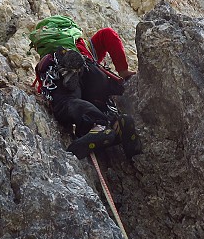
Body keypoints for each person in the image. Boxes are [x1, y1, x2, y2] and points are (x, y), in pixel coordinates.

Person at [34, 26, 141, 159]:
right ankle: (118, 124)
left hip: (64, 71)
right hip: (96, 74)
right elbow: (108, 34)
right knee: (100, 106)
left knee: (65, 102)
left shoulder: (49, 58)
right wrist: (123, 70)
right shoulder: (86, 46)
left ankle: (98, 125)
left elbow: (46, 89)